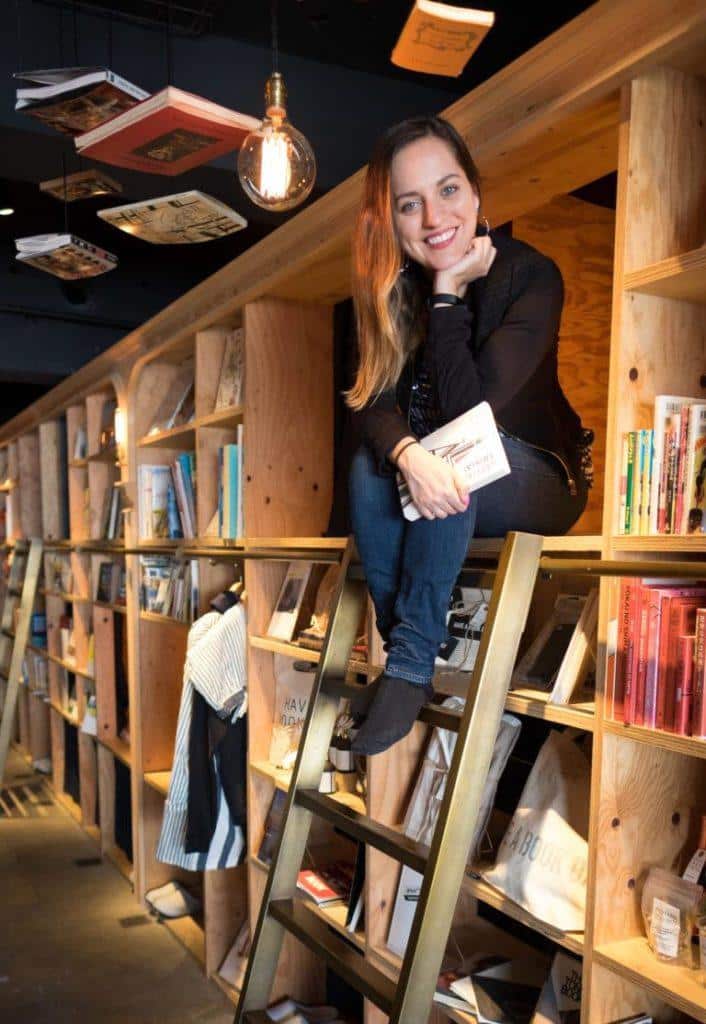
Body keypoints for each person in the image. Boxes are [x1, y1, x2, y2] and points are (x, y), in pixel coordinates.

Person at [346, 115, 593, 756]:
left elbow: (470, 412)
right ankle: (404, 648)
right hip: (453, 471)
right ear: (394, 219)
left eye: (448, 190)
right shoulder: (392, 288)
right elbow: (371, 402)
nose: (433, 217)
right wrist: (406, 455)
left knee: (451, 457)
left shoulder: (529, 276)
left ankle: (407, 666)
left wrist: (449, 293)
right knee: (370, 463)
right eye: (410, 204)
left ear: (477, 192)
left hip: (538, 474)